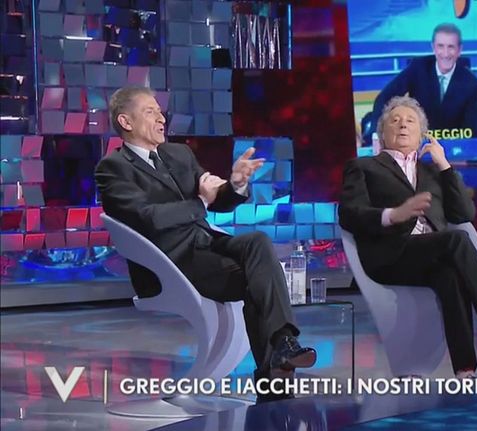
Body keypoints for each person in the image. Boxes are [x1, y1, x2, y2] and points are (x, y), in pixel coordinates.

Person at [95, 87, 315, 401]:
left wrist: (235, 184)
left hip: (206, 245)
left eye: (160, 111)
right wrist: (201, 201)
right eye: (150, 112)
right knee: (258, 280)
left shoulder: (178, 154)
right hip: (171, 262)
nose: (161, 118)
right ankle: (274, 379)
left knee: (258, 243)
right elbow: (147, 218)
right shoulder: (113, 168)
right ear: (125, 122)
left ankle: (283, 343)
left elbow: (216, 199)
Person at [339, 96, 477, 378]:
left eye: (410, 121)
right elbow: (350, 214)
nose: (403, 125)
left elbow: (463, 214)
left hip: (432, 255)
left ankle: (465, 371)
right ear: (382, 134)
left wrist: (444, 166)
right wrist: (393, 214)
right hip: (390, 255)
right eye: (395, 121)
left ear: (422, 135)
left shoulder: (433, 171)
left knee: (450, 277)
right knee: (455, 241)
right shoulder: (363, 166)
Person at [370, 23, 477, 140]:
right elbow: (383, 99)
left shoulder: (472, 84)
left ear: (459, 50)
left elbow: (472, 132)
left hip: (452, 145)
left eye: (451, 47)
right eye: (440, 46)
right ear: (433, 47)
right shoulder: (418, 68)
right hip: (417, 143)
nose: (445, 53)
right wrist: (377, 135)